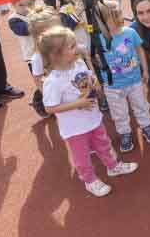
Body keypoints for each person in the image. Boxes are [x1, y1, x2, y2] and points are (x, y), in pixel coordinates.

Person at [40, 26, 139, 197]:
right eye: (71, 46)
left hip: (93, 118)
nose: (77, 47)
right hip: (75, 129)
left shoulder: (78, 63)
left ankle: (113, 167)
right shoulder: (53, 82)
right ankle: (89, 180)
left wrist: (93, 80)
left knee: (104, 144)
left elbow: (87, 76)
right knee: (82, 156)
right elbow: (49, 107)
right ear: (56, 55)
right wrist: (77, 103)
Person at [95, 0, 150, 152]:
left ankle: (146, 125)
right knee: (119, 112)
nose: (119, 18)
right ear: (102, 21)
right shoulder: (98, 40)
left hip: (134, 81)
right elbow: (94, 59)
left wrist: (145, 69)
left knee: (141, 105)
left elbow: (140, 50)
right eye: (113, 16)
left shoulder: (130, 32)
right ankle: (125, 133)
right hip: (113, 86)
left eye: (118, 14)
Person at [7, 0, 49, 117]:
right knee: (40, 80)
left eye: (29, 4)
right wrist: (39, 20)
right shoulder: (14, 19)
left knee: (52, 78)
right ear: (13, 5)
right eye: (21, 5)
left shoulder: (38, 13)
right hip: (32, 56)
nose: (26, 8)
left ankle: (54, 100)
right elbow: (24, 30)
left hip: (47, 52)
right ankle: (40, 102)